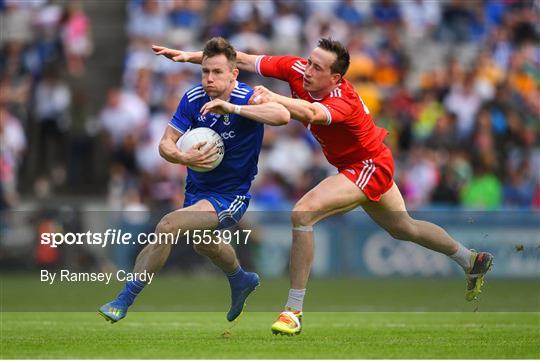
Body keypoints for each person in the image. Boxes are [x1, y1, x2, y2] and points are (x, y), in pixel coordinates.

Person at [153, 38, 494, 336]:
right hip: (363, 162)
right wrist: (190, 55)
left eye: (317, 67)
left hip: (368, 165)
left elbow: (311, 114)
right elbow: (239, 59)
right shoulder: (298, 68)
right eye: (310, 61)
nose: (307, 69)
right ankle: (469, 259)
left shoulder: (342, 101)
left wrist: (275, 98)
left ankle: (293, 311)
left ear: (335, 78)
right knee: (404, 227)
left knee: (303, 213)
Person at [99, 37, 290, 323]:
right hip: (197, 190)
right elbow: (165, 143)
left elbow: (282, 114)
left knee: (168, 224)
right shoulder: (193, 98)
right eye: (205, 71)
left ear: (234, 73)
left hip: (230, 196)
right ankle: (241, 279)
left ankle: (123, 299)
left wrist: (234, 110)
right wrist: (182, 158)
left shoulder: (247, 97)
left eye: (217, 72)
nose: (209, 79)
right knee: (203, 243)